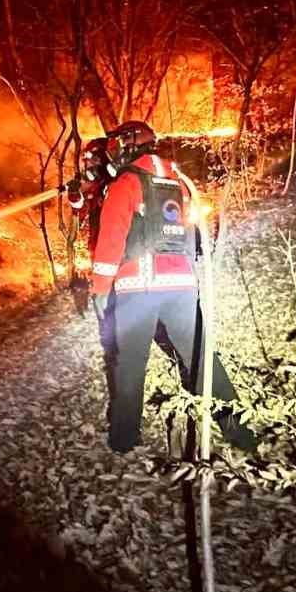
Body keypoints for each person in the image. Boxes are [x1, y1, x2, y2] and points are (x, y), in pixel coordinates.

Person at [87, 121, 254, 455]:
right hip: (181, 287)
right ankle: (240, 432)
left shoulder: (125, 184)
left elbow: (110, 240)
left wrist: (100, 288)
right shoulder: (176, 182)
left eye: (117, 146)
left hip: (138, 288)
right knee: (202, 358)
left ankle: (123, 439)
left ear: (128, 146)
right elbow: (190, 232)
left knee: (131, 364)